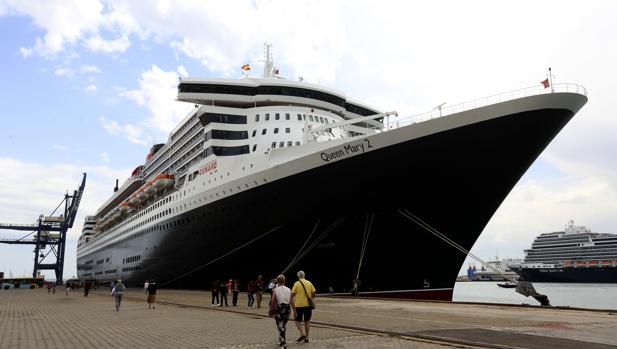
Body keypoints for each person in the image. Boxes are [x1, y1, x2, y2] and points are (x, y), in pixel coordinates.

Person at [290, 270, 316, 343]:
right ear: (304, 275)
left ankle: (302, 334)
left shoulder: (296, 283)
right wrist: (312, 297)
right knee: (307, 321)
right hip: (308, 305)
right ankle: (307, 337)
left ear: (298, 276)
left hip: (299, 305)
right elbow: (314, 292)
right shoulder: (309, 283)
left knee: (297, 320)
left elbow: (292, 294)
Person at [271, 274, 292, 347]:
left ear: (278, 281)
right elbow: (291, 300)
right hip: (287, 308)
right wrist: (294, 310)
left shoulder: (275, 290)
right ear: (284, 281)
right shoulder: (289, 289)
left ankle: (282, 339)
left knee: (280, 324)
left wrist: (271, 309)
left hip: (279, 308)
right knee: (283, 324)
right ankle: (282, 339)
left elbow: (273, 300)